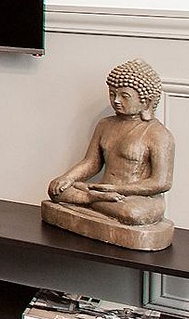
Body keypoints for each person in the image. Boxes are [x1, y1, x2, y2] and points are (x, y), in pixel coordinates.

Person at [46, 59, 174, 231]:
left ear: (146, 102)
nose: (116, 101)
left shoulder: (158, 134)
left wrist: (118, 189)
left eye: (124, 96)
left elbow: (161, 182)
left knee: (134, 214)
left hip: (136, 198)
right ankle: (92, 199)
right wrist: (68, 178)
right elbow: (91, 163)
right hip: (101, 191)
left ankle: (92, 201)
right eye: (112, 94)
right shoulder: (105, 124)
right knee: (56, 190)